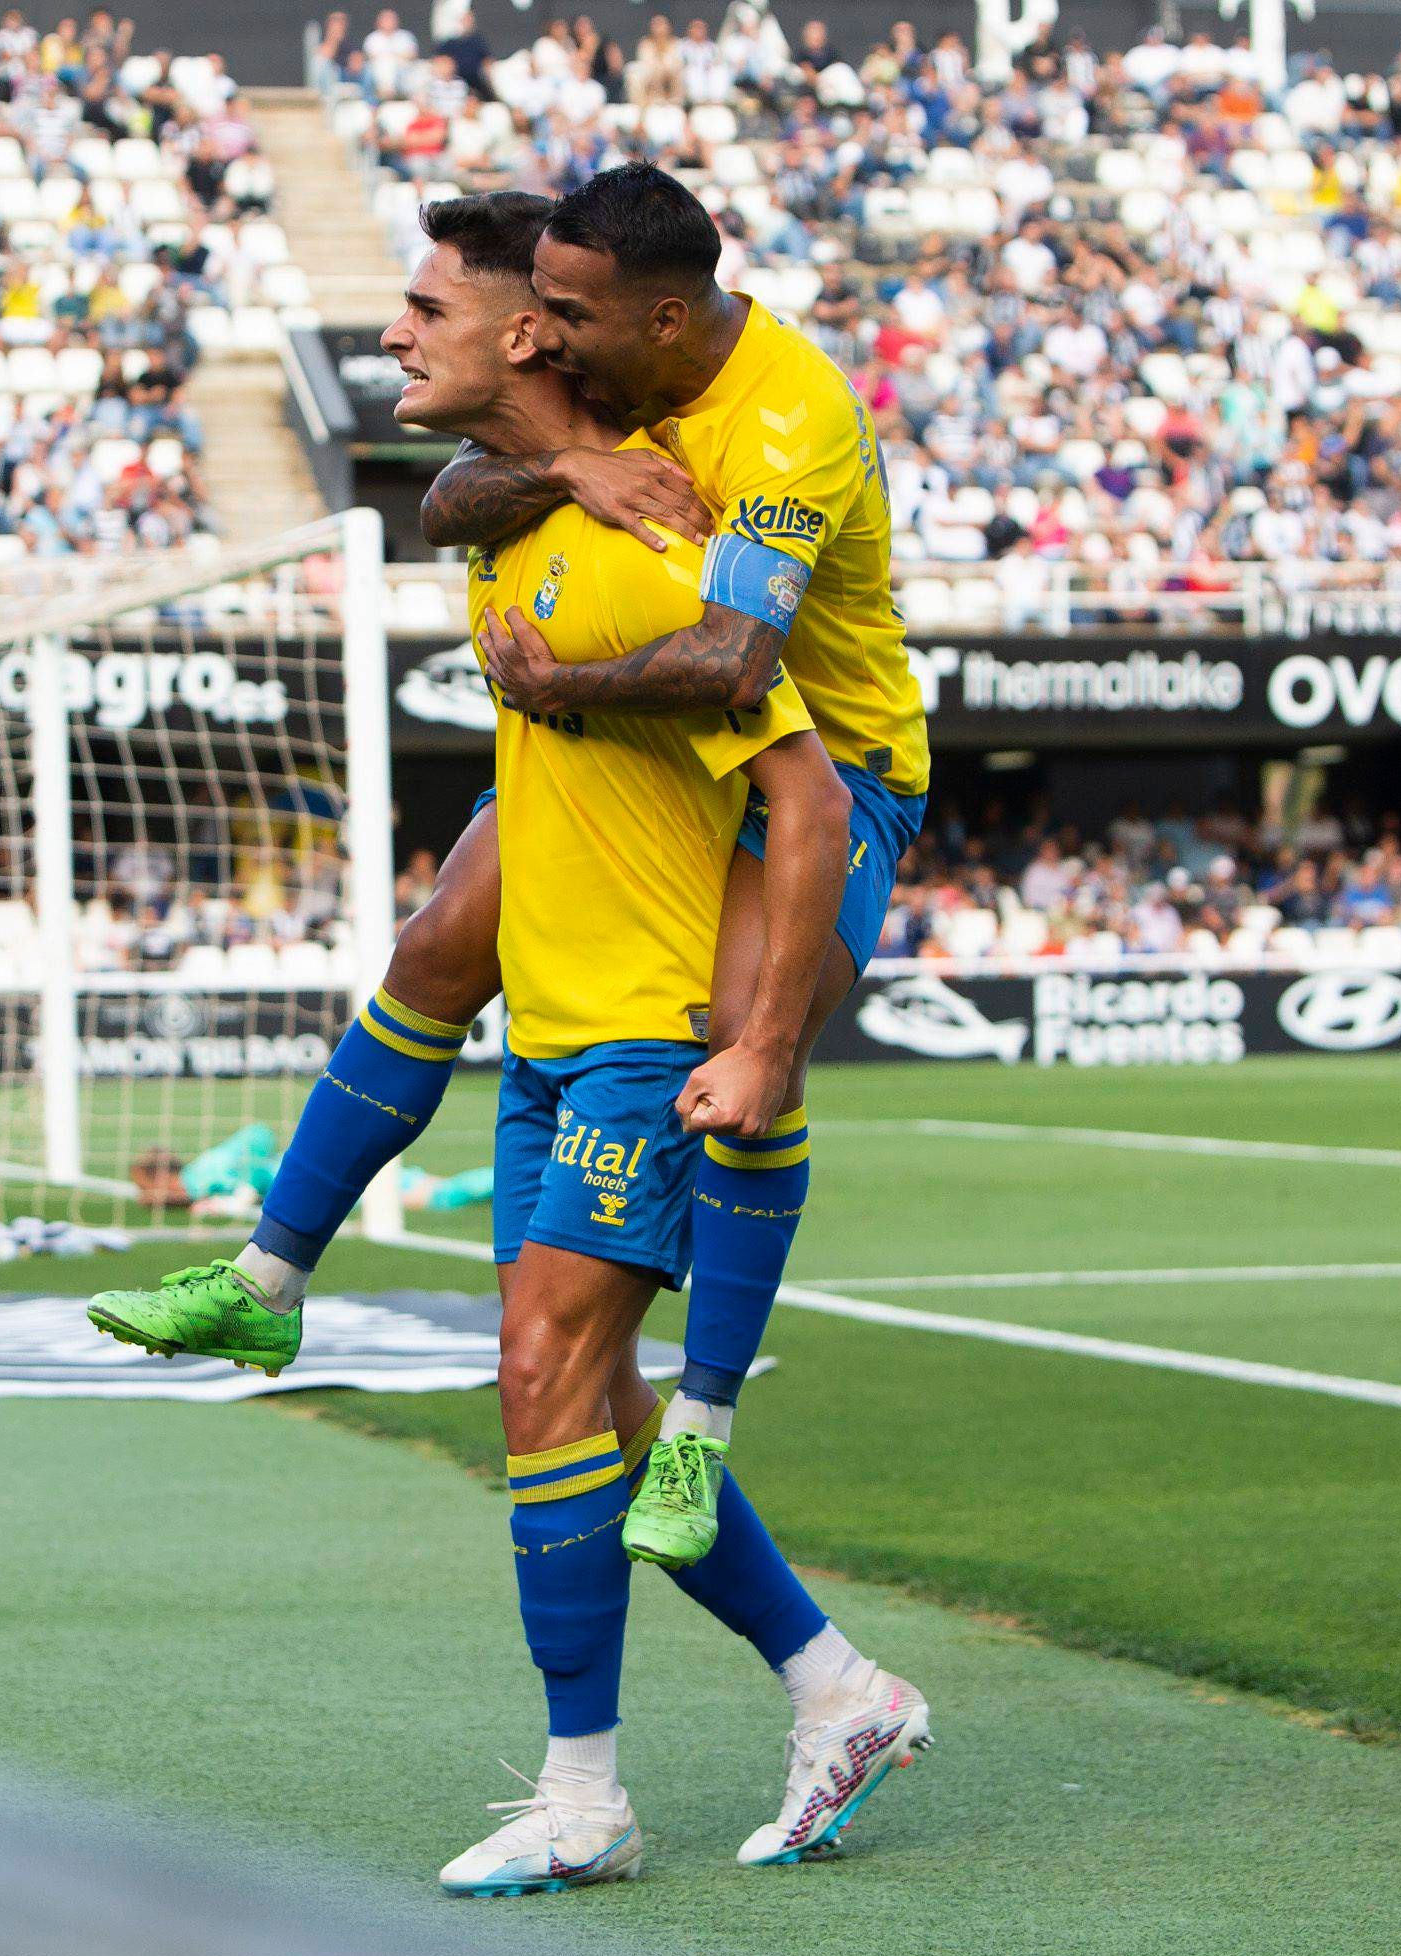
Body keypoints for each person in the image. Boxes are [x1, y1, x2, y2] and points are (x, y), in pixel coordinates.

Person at [89, 168, 935, 1868]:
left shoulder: (781, 427)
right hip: (628, 772)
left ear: (660, 319)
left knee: (724, 1066)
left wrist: (555, 674)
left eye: (555, 305)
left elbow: (723, 661)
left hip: (819, 779)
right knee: (441, 951)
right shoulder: (593, 415)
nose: (532, 322)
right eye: (519, 295)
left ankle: (696, 1460)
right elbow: (455, 494)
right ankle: (828, 1683)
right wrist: (555, 455)